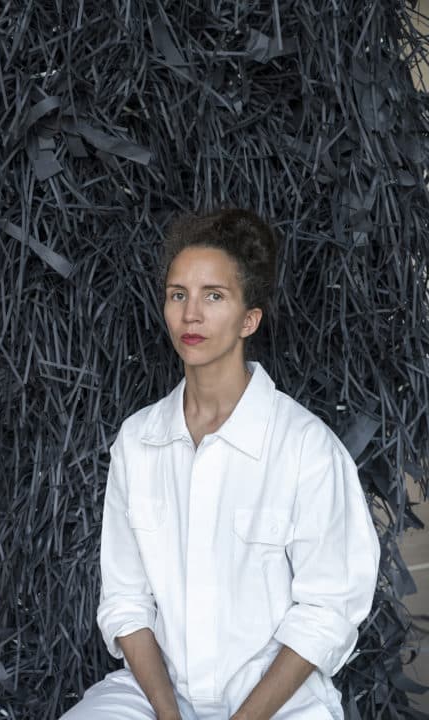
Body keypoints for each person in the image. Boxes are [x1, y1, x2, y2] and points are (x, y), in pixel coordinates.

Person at [60, 208, 380, 720]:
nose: (191, 314)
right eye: (177, 294)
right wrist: (167, 712)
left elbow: (328, 613)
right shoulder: (138, 441)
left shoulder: (307, 449)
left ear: (249, 319)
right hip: (156, 694)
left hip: (278, 703)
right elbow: (125, 600)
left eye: (214, 296)